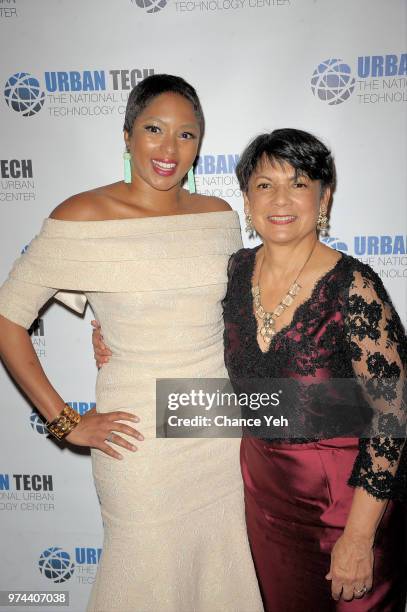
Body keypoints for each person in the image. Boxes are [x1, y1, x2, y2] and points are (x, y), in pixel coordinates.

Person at [0, 75, 263, 612]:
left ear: (199, 144)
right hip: (137, 437)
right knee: (143, 575)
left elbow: (228, 318)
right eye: (154, 129)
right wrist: (65, 422)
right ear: (127, 136)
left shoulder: (218, 218)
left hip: (214, 425)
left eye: (185, 135)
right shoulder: (81, 217)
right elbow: (8, 321)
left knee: (221, 570)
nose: (169, 149)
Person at [222, 128, 406, 610]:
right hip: (264, 502)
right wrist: (112, 342)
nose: (280, 199)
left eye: (299, 183)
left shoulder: (355, 286)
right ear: (246, 197)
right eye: (265, 185)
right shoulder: (236, 271)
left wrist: (359, 536)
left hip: (344, 508)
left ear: (324, 196)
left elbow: (392, 419)